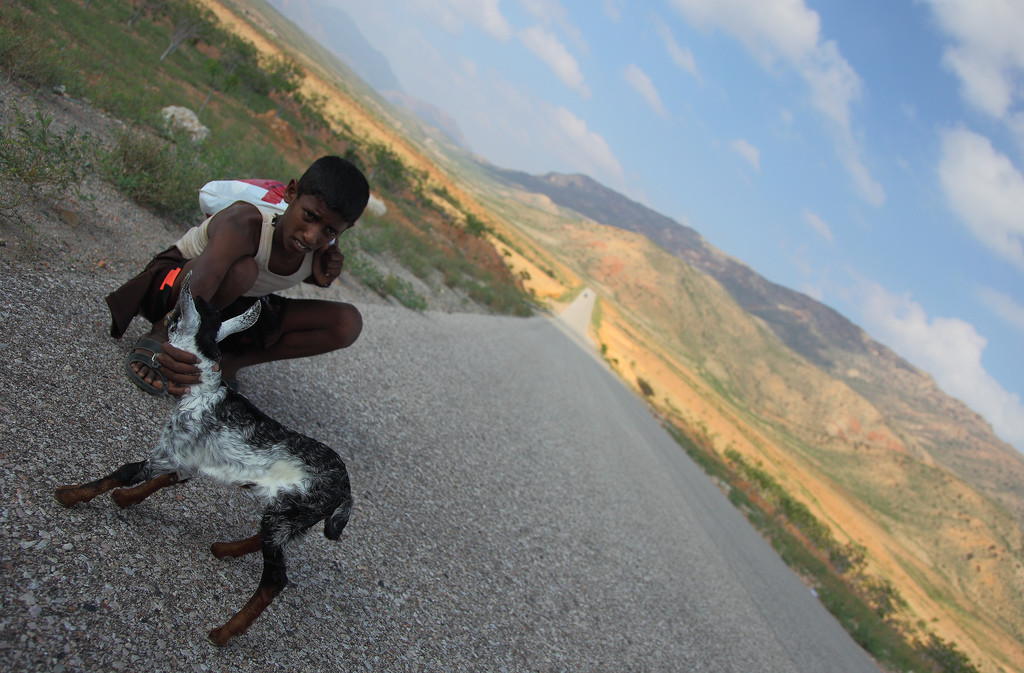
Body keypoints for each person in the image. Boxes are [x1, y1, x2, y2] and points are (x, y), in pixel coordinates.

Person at [105, 155, 370, 397]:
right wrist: (169, 336)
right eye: (309, 216)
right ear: (292, 192)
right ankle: (166, 337)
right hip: (175, 288)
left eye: (330, 230)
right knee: (243, 272)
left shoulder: (321, 249)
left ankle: (229, 362)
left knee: (347, 323)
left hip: (226, 307)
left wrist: (327, 272)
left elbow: (311, 273)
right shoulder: (245, 223)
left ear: (345, 229)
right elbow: (207, 275)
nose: (311, 236)